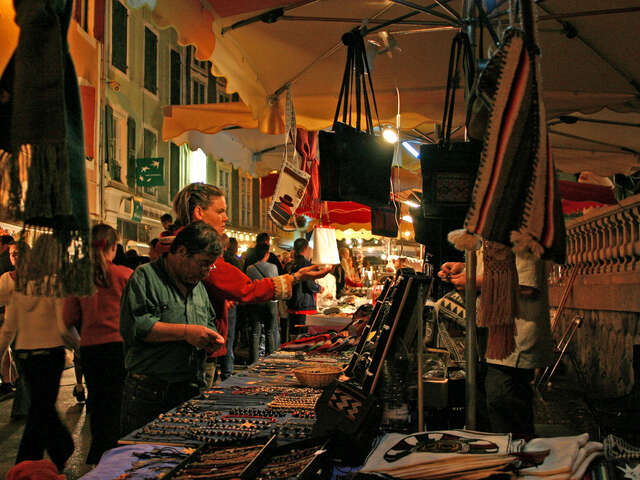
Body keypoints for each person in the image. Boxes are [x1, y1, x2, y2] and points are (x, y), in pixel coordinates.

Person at [170, 183, 331, 364]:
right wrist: (296, 277)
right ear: (199, 212)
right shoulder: (193, 250)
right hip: (189, 357)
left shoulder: (175, 246)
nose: (226, 217)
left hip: (187, 352)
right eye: (220, 211)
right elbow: (245, 289)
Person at [119, 222, 225, 435]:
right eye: (203, 263)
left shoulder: (198, 287)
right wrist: (186, 333)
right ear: (182, 252)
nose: (206, 272)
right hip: (150, 393)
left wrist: (210, 340)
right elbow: (137, 327)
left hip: (189, 388)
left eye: (210, 266)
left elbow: (209, 321)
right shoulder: (145, 277)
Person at [438, 248, 553, 435]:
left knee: (507, 419)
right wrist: (466, 269)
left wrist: (473, 281)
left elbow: (526, 285)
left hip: (513, 343)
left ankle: (515, 460)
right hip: (491, 340)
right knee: (490, 419)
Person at [0, 234, 77, 472]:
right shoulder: (54, 284)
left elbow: (9, 326)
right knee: (41, 408)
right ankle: (50, 451)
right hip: (50, 355)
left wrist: (0, 348)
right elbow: (62, 325)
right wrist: (79, 346)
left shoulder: (21, 286)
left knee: (40, 406)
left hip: (25, 355)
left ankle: (48, 452)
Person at [63, 224, 133, 464]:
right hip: (120, 347)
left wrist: (81, 341)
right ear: (113, 248)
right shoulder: (125, 275)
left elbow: (67, 319)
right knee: (120, 402)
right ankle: (118, 452)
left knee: (99, 402)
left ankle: (99, 451)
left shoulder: (79, 278)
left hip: (92, 349)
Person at [245, 243, 279, 363]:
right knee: (270, 331)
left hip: (256, 302)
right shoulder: (273, 267)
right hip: (270, 302)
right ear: (266, 254)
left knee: (255, 332)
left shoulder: (250, 269)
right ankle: (270, 360)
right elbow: (276, 284)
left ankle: (253, 362)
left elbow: (248, 286)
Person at [286, 238, 323, 336]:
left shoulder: (290, 265)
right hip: (304, 305)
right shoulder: (306, 264)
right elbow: (309, 284)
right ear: (306, 248)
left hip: (291, 303)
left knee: (292, 333)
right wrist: (319, 288)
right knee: (302, 335)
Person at [220, 236, 241, 380]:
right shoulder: (234, 262)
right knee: (228, 338)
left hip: (220, 302)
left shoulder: (214, 263)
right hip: (230, 303)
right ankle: (227, 372)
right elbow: (241, 285)